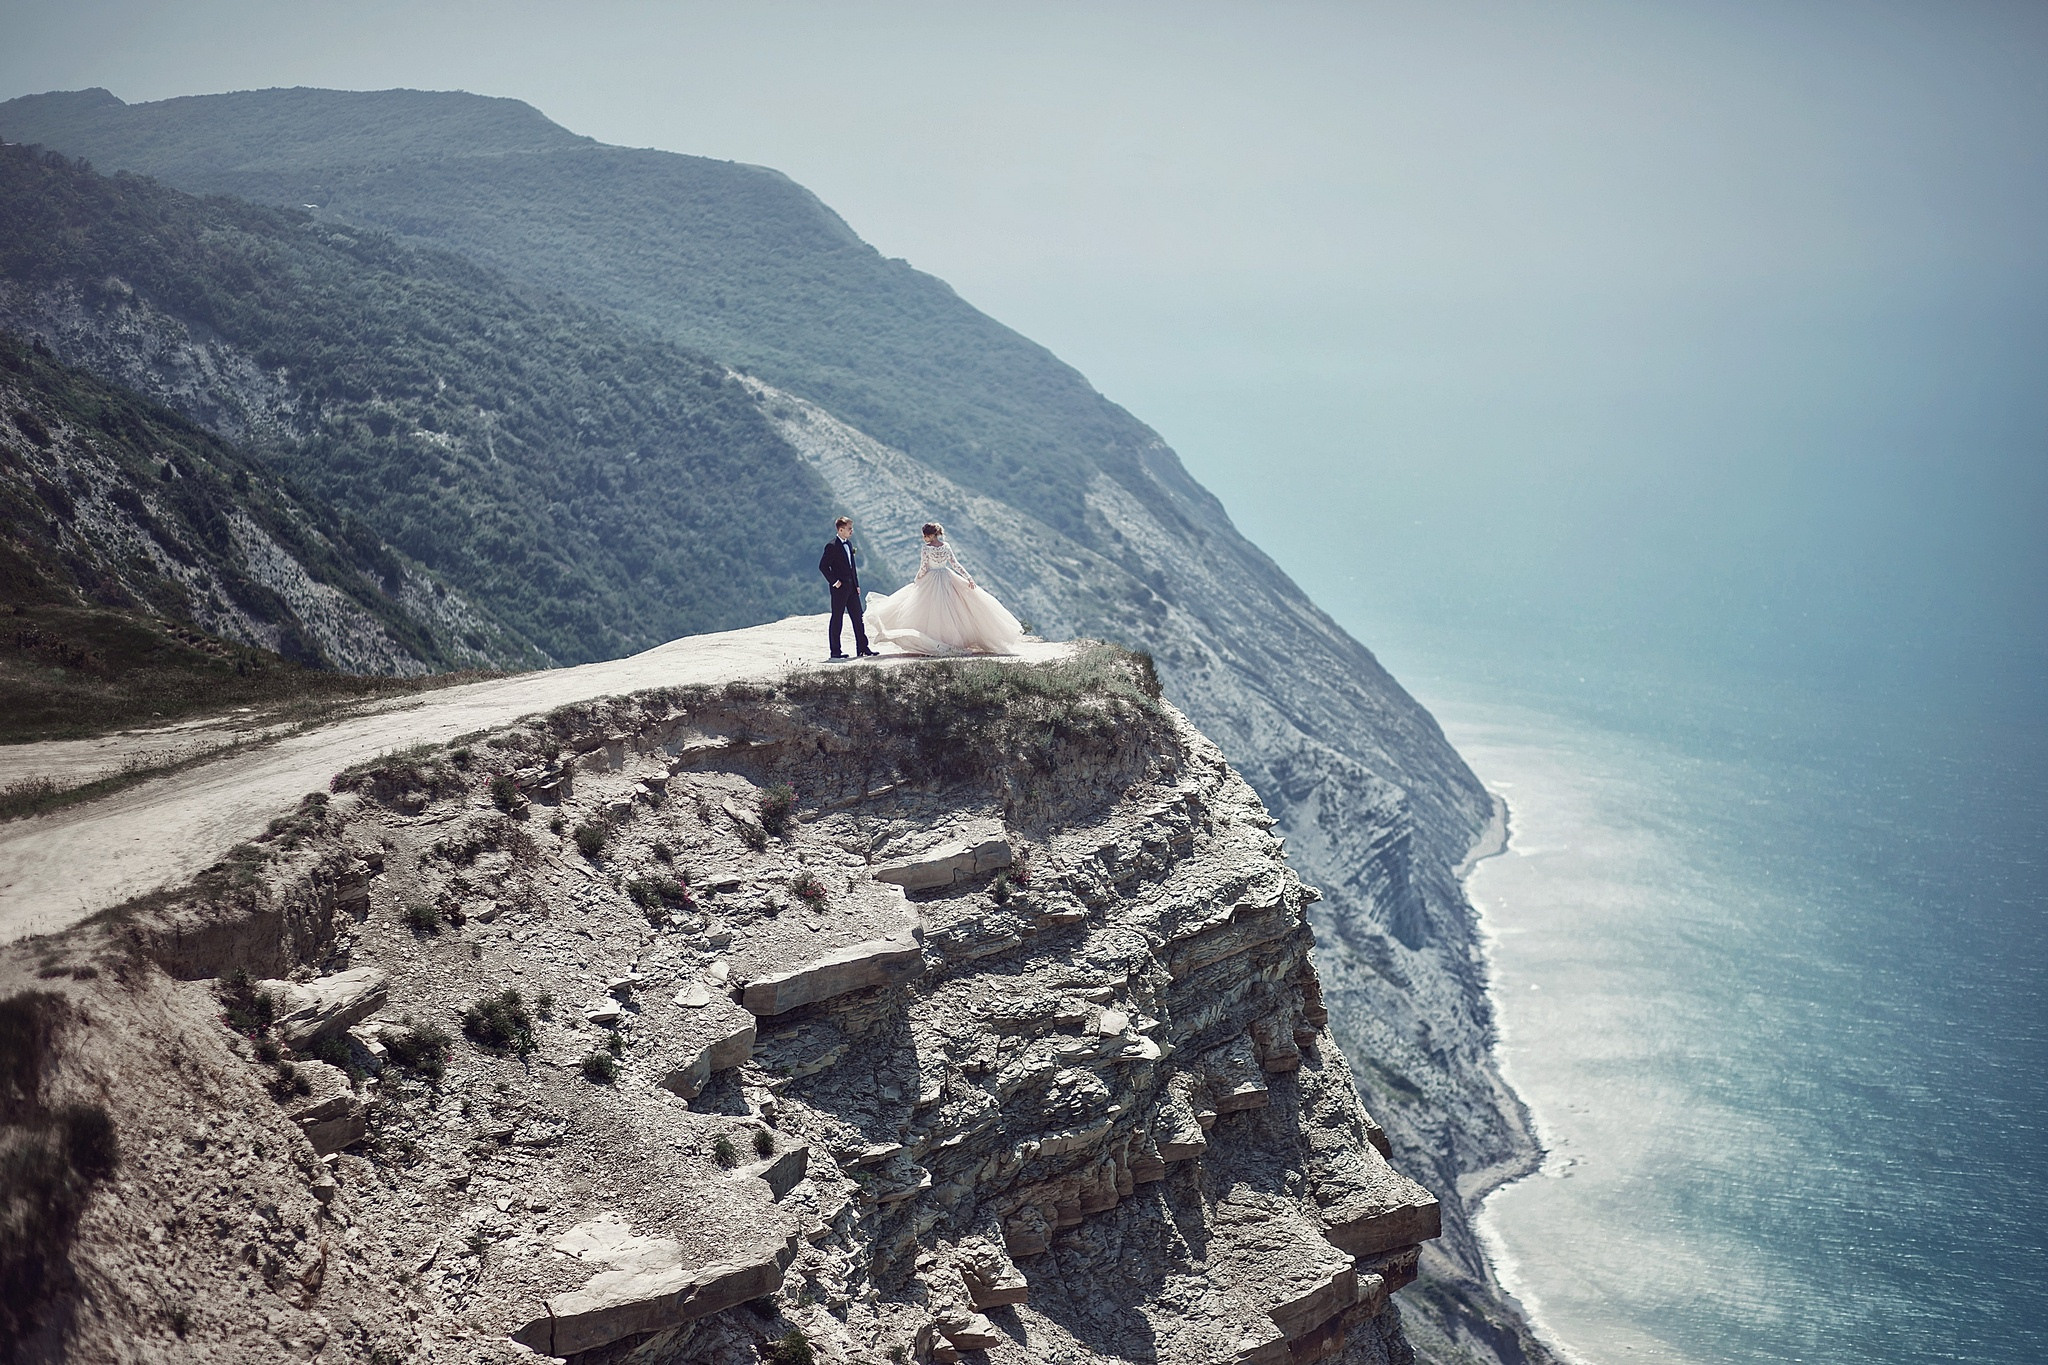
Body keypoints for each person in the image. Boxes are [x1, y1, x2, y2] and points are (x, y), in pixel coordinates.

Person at [865, 522, 1027, 656]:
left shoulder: (926, 548)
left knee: (930, 611)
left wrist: (917, 579)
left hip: (931, 579)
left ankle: (935, 642)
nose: (924, 538)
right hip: (947, 577)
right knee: (952, 611)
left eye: (924, 535)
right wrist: (968, 577)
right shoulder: (946, 546)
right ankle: (950, 641)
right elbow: (955, 564)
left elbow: (923, 567)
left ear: (930, 535)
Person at [818, 516, 876, 659]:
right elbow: (823, 566)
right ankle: (835, 651)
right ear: (841, 529)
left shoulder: (849, 545)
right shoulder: (831, 546)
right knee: (837, 618)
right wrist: (835, 581)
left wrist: (856, 585)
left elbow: (852, 567)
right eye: (849, 528)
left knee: (858, 618)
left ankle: (863, 648)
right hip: (839, 589)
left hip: (852, 588)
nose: (852, 531)